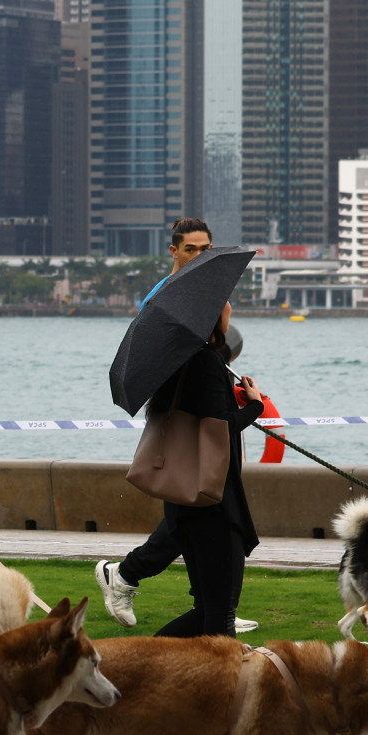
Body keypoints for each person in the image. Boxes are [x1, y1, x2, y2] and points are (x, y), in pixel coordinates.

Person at [97, 217, 259, 634]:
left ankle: (207, 603)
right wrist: (253, 407)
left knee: (208, 604)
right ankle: (135, 577)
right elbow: (217, 425)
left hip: (196, 477)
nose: (200, 256)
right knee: (213, 610)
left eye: (206, 249)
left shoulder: (198, 343)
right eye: (192, 249)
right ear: (174, 250)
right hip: (207, 483)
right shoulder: (175, 315)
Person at [138, 302, 264, 638]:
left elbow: (202, 421)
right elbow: (219, 428)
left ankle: (146, 662)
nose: (230, 309)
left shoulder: (178, 360)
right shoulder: (206, 361)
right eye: (225, 305)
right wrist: (254, 405)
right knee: (220, 617)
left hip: (184, 503)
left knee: (206, 612)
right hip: (214, 507)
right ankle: (221, 686)